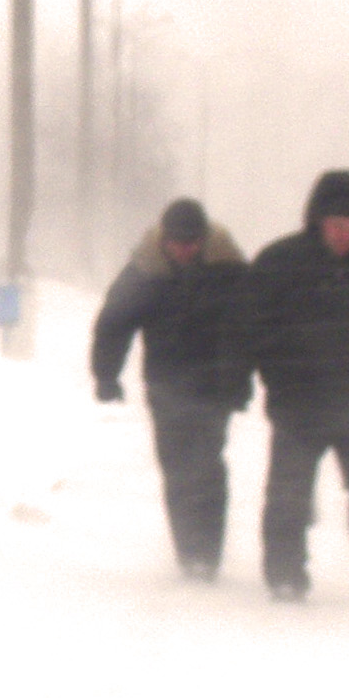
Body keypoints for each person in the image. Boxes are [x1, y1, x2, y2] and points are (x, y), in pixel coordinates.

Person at [238, 169, 349, 602]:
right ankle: (285, 577)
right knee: (288, 494)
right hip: (297, 404)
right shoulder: (279, 262)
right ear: (317, 221)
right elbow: (247, 326)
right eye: (336, 225)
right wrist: (253, 374)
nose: (345, 235)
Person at [90, 197, 252, 582]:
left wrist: (242, 379)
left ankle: (207, 556)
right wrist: (106, 375)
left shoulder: (228, 270)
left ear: (204, 239)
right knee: (177, 469)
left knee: (208, 467)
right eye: (176, 243)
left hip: (215, 387)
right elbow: (114, 322)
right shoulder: (146, 270)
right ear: (164, 239)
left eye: (191, 243)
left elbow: (251, 326)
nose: (183, 250)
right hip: (166, 386)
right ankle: (188, 552)